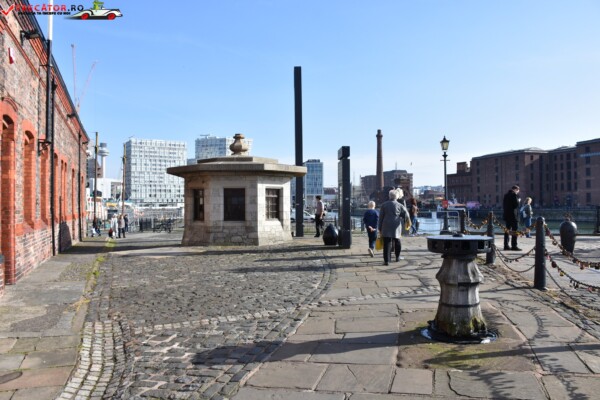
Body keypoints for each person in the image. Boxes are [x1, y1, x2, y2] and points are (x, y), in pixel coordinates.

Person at [378, 189, 409, 266]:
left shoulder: (384, 205)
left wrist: (379, 227)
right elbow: (406, 215)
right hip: (396, 224)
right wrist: (406, 221)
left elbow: (381, 217)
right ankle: (397, 257)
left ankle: (387, 260)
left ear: (389, 196)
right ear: (397, 197)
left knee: (387, 242)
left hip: (386, 224)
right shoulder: (400, 205)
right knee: (397, 240)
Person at [503, 185, 521, 251]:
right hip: (513, 216)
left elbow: (504, 205)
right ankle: (514, 246)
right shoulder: (514, 195)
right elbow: (516, 205)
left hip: (507, 216)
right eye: (518, 190)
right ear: (516, 189)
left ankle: (506, 245)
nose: (518, 192)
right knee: (514, 231)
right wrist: (518, 200)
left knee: (507, 231)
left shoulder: (506, 195)